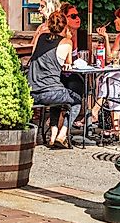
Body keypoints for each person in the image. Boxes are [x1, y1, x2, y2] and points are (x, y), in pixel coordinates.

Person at [27, 10, 80, 148]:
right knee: (76, 100)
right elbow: (68, 63)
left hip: (31, 92)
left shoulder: (41, 37)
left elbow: (33, 54)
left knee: (60, 95)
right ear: (65, 26)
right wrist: (68, 38)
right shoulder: (66, 42)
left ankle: (53, 133)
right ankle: (63, 135)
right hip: (50, 92)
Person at [92, 6, 120, 137]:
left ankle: (95, 111)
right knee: (112, 84)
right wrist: (105, 37)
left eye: (117, 18)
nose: (115, 21)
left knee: (111, 81)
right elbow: (110, 57)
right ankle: (115, 128)